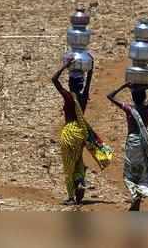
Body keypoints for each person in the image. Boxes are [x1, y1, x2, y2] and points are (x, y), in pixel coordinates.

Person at [107, 82, 148, 211]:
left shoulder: (129, 109)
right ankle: (141, 193)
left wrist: (124, 86)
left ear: (133, 98)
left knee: (129, 174)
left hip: (133, 142)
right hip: (145, 142)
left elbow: (110, 96)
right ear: (144, 97)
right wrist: (143, 85)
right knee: (144, 171)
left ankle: (135, 195)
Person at [52, 55, 93, 206]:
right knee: (78, 160)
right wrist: (91, 68)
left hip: (69, 132)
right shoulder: (83, 97)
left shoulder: (68, 96)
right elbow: (88, 82)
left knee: (68, 165)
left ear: (69, 83)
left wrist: (65, 66)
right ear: (81, 85)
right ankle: (80, 180)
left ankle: (70, 197)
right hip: (80, 133)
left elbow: (54, 80)